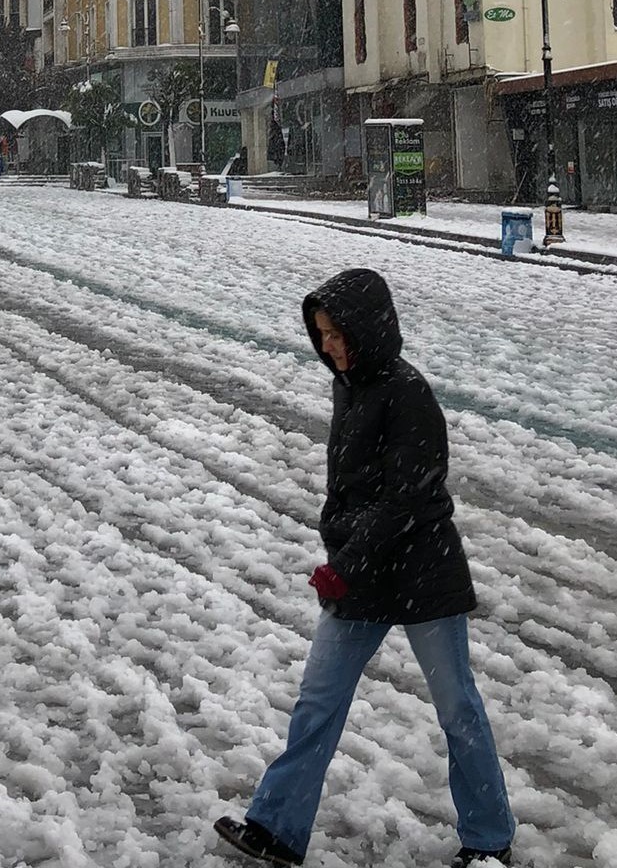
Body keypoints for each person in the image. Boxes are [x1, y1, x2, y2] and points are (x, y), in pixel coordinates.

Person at [215, 268, 514, 868]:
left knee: (457, 708)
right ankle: (276, 827)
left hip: (421, 570)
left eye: (333, 334)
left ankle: (489, 842)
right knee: (317, 702)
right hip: (362, 571)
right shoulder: (350, 384)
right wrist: (341, 550)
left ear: (364, 329)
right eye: (320, 334)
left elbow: (404, 498)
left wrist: (344, 563)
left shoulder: (408, 393)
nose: (325, 346)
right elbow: (350, 490)